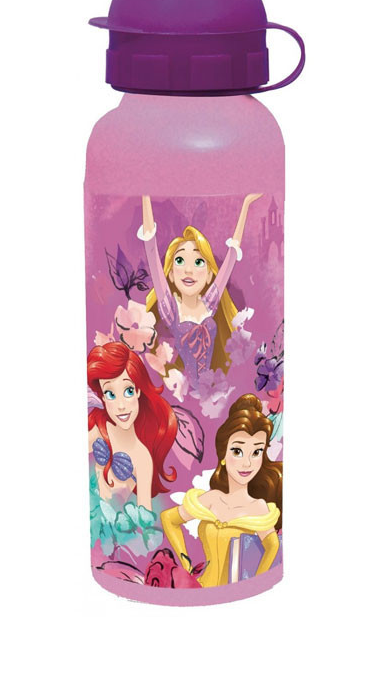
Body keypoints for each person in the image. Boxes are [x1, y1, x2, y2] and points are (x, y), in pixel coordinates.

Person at [160, 393, 282, 587]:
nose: (247, 463)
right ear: (223, 455)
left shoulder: (258, 507)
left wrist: (255, 583)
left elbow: (272, 546)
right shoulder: (212, 499)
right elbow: (169, 518)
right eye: (237, 451)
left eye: (256, 452)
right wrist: (186, 563)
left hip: (237, 593)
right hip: (200, 587)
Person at [139, 194, 261, 383]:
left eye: (198, 262)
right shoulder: (171, 309)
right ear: (171, 274)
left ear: (209, 275)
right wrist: (145, 194)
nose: (189, 270)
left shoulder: (209, 303)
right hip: (183, 385)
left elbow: (231, 256)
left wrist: (245, 204)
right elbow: (151, 249)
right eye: (180, 260)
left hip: (213, 385)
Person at [87, 342, 177, 511]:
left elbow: (145, 516)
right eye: (110, 394)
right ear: (103, 398)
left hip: (114, 523)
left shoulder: (142, 458)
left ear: (138, 391)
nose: (121, 406)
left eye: (128, 391)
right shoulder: (100, 429)